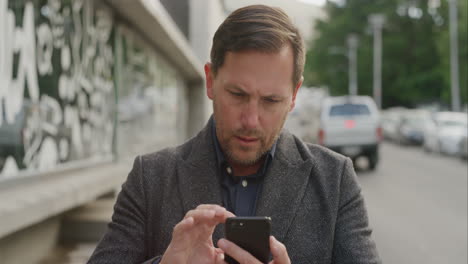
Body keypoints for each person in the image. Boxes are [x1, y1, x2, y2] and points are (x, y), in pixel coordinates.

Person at [88, 5, 381, 264]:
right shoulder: (149, 178)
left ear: (294, 95)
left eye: (270, 101)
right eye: (238, 95)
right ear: (210, 81)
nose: (251, 120)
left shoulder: (335, 180)